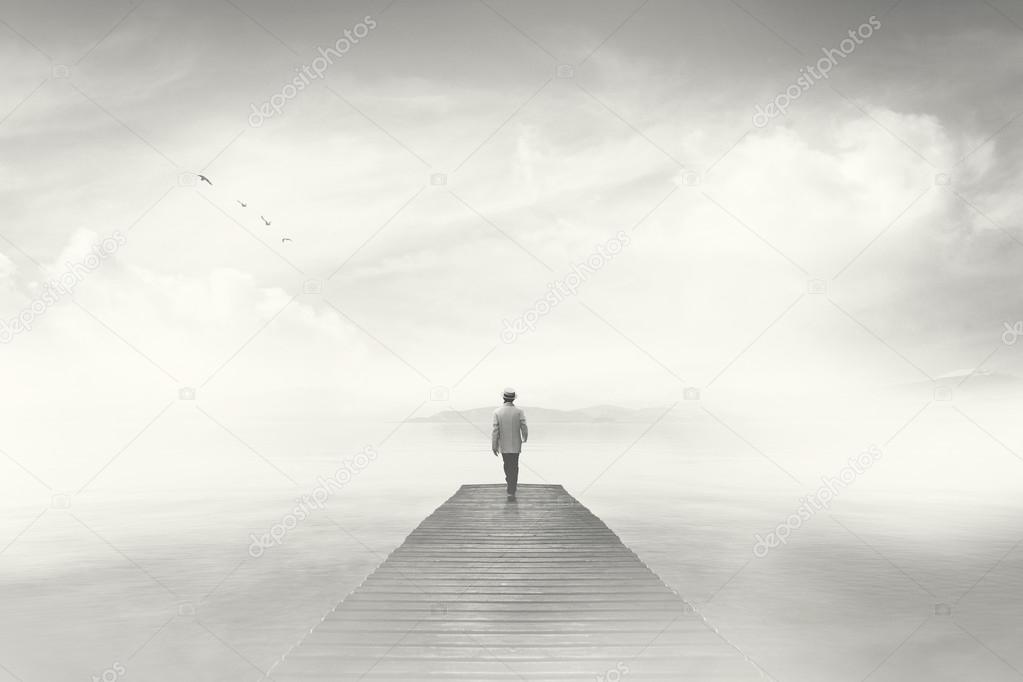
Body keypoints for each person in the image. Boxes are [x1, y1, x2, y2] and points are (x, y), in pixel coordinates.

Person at [492, 388, 528, 501]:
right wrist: (525, 437)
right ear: (513, 399)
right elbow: (524, 426)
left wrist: (494, 445)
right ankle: (512, 487)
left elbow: (495, 430)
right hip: (516, 443)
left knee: (507, 464)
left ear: (504, 398)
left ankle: (510, 485)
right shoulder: (519, 411)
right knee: (515, 465)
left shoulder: (497, 412)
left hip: (504, 444)